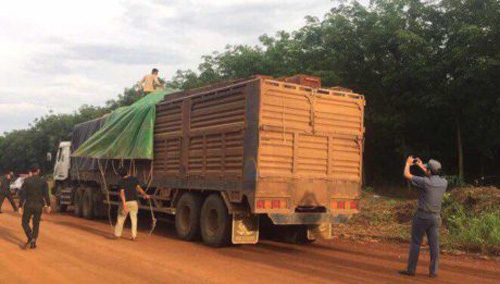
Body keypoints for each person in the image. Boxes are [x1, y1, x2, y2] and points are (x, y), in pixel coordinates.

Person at [399, 157, 447, 278]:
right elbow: (431, 174)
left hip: (422, 216)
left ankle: (411, 269)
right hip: (435, 218)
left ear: (429, 171)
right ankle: (433, 271)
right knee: (434, 245)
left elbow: (406, 174)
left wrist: (408, 164)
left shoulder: (425, 182)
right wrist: (421, 166)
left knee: (416, 243)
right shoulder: (444, 183)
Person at [18, 164, 51, 249]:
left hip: (28, 205)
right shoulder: (43, 181)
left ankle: (30, 237)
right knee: (36, 223)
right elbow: (46, 195)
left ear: (31, 171)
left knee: (24, 222)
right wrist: (48, 205)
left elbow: (23, 195)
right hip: (38, 205)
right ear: (38, 171)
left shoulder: (27, 181)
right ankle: (33, 240)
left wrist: (20, 206)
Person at [114, 167, 150, 240]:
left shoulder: (121, 181)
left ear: (120, 174)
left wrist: (124, 205)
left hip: (126, 202)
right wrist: (145, 195)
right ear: (127, 172)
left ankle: (117, 235)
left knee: (121, 218)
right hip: (134, 202)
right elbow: (139, 188)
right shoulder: (134, 179)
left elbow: (122, 193)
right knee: (134, 219)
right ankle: (134, 236)